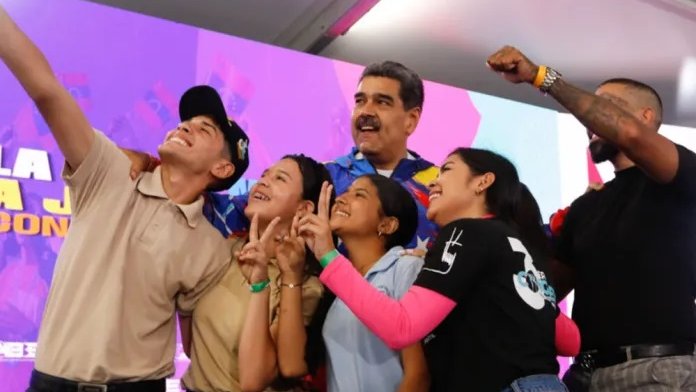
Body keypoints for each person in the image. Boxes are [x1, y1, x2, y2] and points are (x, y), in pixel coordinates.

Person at [0, 7, 250, 391]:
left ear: (221, 169)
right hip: (51, 383)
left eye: (204, 129)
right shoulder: (107, 170)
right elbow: (46, 90)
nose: (185, 125)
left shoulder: (212, 249)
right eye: (186, 120)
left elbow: (203, 340)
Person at [486, 45, 696, 391]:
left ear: (644, 118)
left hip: (655, 373)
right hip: (584, 375)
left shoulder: (680, 177)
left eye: (605, 108)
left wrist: (542, 77)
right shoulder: (585, 208)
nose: (589, 120)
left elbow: (627, 134)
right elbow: (547, 293)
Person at [297, 149, 569, 391]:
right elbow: (570, 341)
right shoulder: (515, 250)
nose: (433, 181)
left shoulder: (464, 231)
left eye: (447, 169)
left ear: (483, 182)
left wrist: (327, 254)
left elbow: (401, 328)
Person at [129, 61, 439, 249]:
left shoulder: (439, 186)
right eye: (360, 101)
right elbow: (227, 208)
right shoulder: (326, 176)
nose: (366, 112)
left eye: (382, 102)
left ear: (411, 119)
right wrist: (158, 166)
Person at [243, 174, 430, 391]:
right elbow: (293, 365)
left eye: (359, 194)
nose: (341, 199)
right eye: (345, 191)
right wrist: (291, 274)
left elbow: (418, 375)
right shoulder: (337, 285)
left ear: (387, 225)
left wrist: (326, 253)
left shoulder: (405, 267)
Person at [181, 155, 327, 392]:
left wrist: (260, 285)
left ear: (303, 208)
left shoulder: (306, 286)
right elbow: (194, 348)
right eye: (263, 175)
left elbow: (253, 381)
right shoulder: (225, 251)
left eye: (280, 178)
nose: (263, 182)